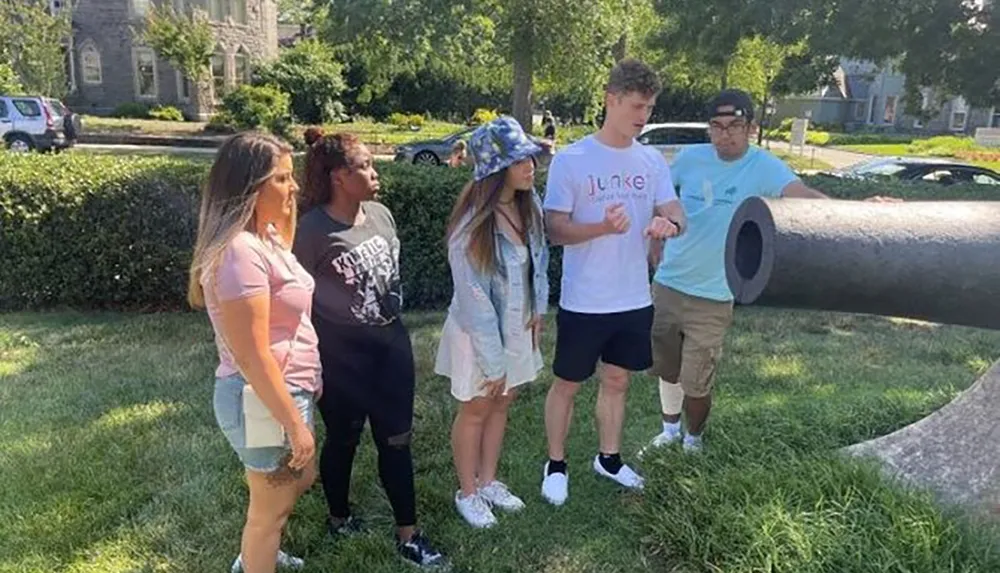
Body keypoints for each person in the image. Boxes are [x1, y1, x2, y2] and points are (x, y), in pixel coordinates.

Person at [644, 89, 899, 454]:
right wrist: (655, 245)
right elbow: (662, 201)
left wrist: (860, 211)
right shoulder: (689, 159)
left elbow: (804, 196)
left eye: (734, 126)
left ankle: (692, 440)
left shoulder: (763, 166)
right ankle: (668, 431)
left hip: (715, 294)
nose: (724, 135)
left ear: (751, 127)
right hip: (669, 284)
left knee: (697, 379)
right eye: (716, 126)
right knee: (667, 369)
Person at [291, 127, 446, 569]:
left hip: (391, 347)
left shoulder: (380, 214)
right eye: (365, 166)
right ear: (340, 176)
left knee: (397, 441)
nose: (375, 173)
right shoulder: (313, 231)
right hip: (341, 358)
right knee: (344, 438)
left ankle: (409, 534)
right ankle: (339, 518)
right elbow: (296, 301)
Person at [540, 58, 685, 506]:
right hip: (585, 300)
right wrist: (600, 228)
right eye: (637, 106)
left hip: (633, 298)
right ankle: (556, 463)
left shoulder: (651, 159)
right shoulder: (572, 159)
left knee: (618, 380)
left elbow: (675, 212)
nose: (644, 117)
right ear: (612, 100)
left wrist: (669, 226)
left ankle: (609, 458)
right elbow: (554, 229)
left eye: (650, 108)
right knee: (568, 382)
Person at [188, 132, 319, 573]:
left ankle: (260, 547)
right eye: (282, 179)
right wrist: (294, 425)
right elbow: (253, 356)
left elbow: (287, 243)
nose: (294, 186)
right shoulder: (239, 255)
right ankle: (258, 554)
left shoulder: (261, 239)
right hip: (260, 399)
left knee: (296, 481)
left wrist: (283, 208)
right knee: (269, 512)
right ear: (250, 188)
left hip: (278, 392)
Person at [435, 116, 550, 528]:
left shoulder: (528, 205)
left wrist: (539, 308)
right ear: (494, 169)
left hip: (518, 325)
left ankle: (489, 481)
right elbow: (474, 301)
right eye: (520, 160)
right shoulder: (471, 227)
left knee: (503, 402)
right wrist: (494, 359)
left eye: (530, 158)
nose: (530, 166)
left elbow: (541, 260)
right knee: (477, 407)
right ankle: (467, 492)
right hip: (479, 333)